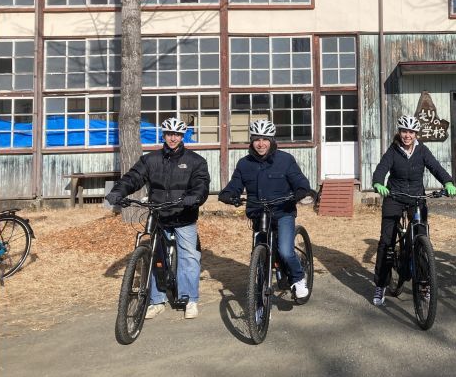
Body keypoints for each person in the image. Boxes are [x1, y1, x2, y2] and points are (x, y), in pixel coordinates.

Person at [106, 117, 210, 320]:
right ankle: (156, 300)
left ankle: (189, 299)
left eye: (177, 134)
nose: (173, 138)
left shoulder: (195, 161)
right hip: (158, 214)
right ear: (164, 135)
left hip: (183, 215)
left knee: (189, 256)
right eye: (169, 134)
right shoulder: (150, 160)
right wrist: (118, 192)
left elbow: (201, 184)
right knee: (154, 256)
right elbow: (133, 177)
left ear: (182, 136)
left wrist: (194, 198)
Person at [218, 119, 315, 300]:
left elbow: (299, 181)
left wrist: (301, 191)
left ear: (272, 141)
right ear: (251, 141)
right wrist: (229, 194)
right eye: (256, 139)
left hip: (283, 211)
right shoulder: (244, 164)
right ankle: (261, 288)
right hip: (258, 213)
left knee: (285, 250)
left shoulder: (285, 160)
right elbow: (235, 185)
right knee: (260, 253)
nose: (261, 144)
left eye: (265, 139)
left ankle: (298, 278)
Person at [370, 115, 456, 307]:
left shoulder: (422, 150)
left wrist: (449, 182)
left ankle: (425, 284)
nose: (407, 135)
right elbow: (381, 169)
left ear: (416, 133)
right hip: (394, 197)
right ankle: (381, 285)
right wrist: (378, 183)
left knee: (422, 239)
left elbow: (436, 168)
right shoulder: (393, 150)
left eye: (410, 132)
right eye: (404, 131)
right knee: (387, 242)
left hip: (416, 198)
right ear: (399, 132)